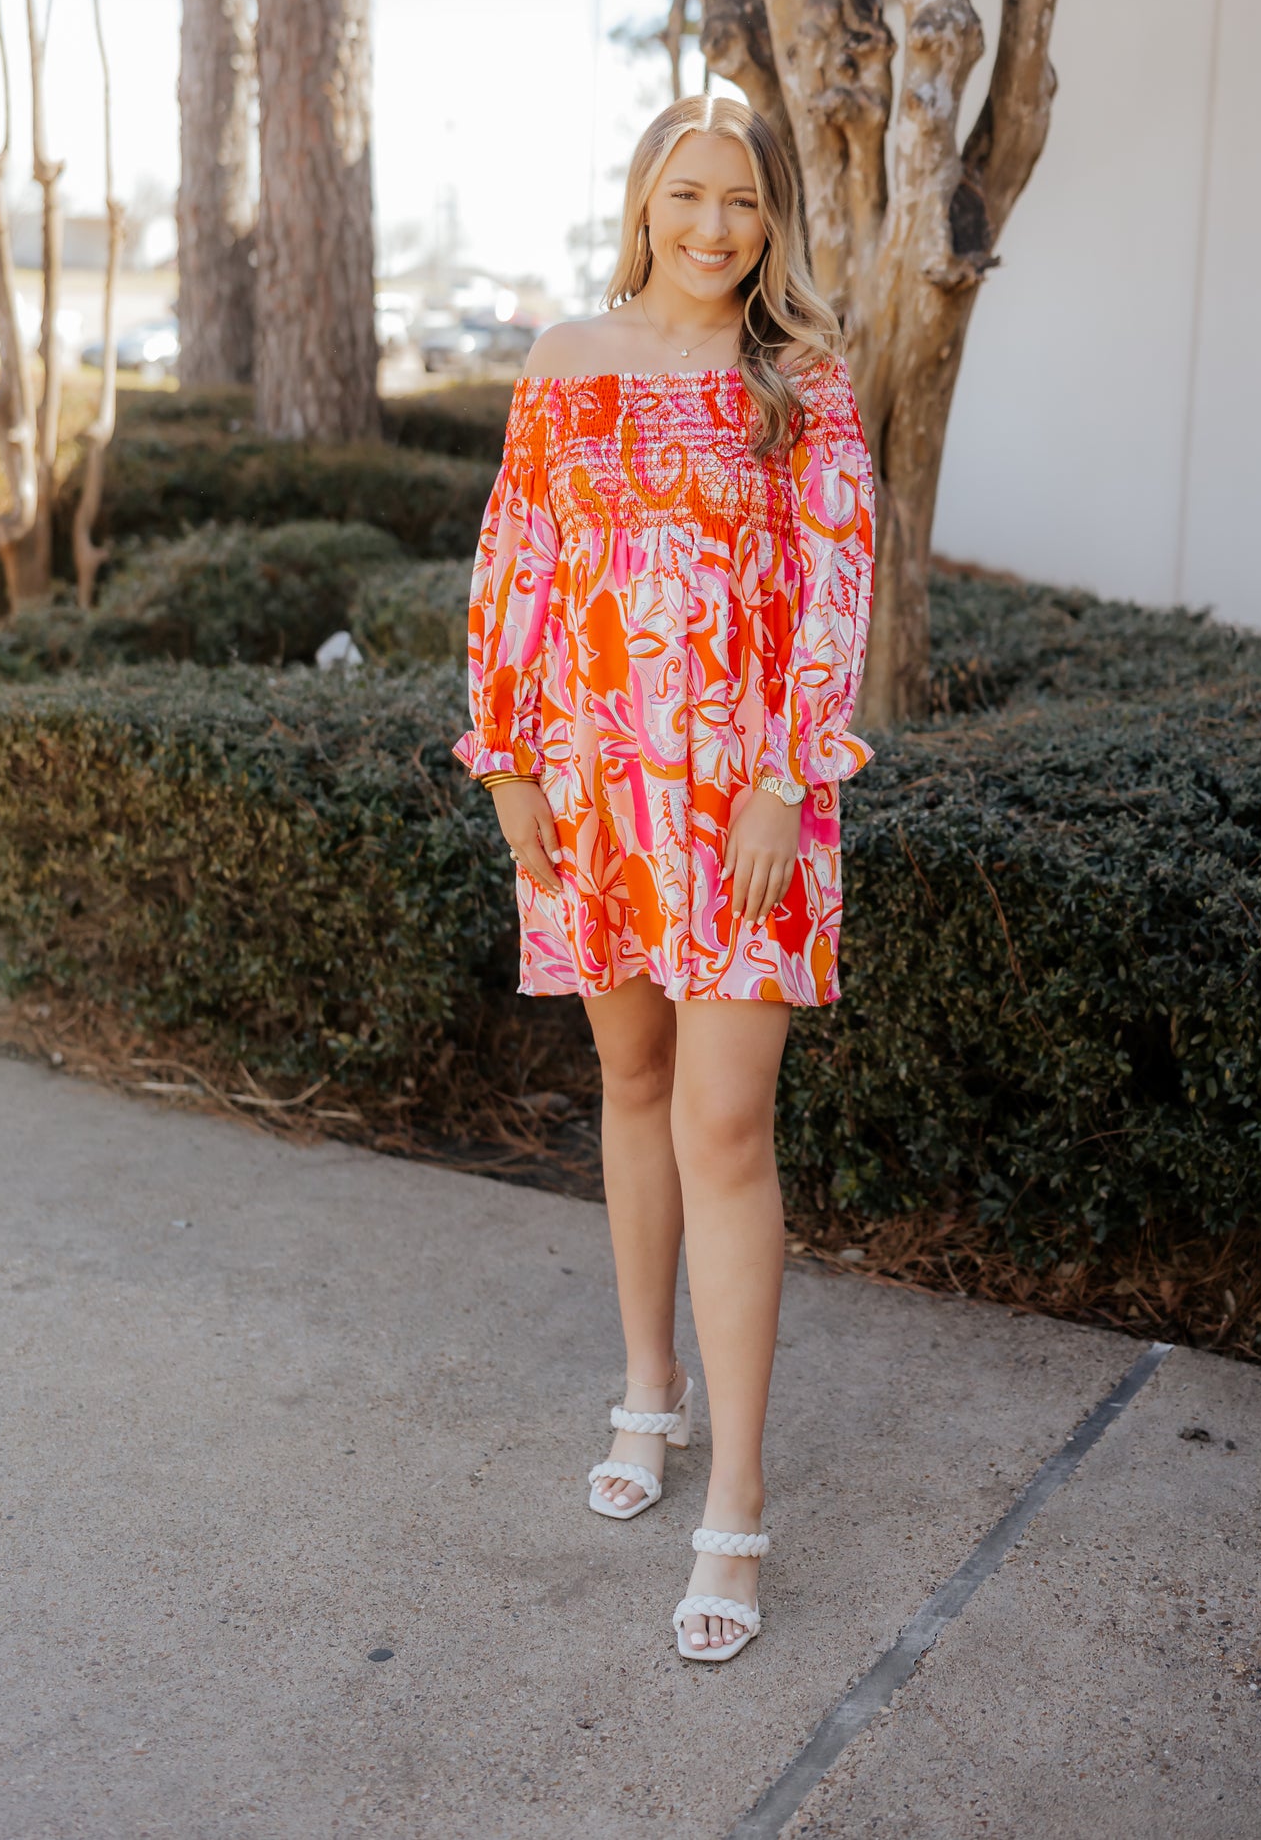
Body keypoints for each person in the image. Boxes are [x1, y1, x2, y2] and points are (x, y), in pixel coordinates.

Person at [452, 93, 875, 1662]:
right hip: (591, 790)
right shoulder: (566, 360)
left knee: (723, 1120)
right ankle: (648, 1394)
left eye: (744, 203)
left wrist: (782, 778)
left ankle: (738, 1508)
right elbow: (516, 563)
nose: (715, 228)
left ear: (772, 223)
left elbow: (839, 584)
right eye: (689, 196)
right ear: (642, 203)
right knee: (629, 1083)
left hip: (754, 797)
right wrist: (505, 767)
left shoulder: (801, 377)